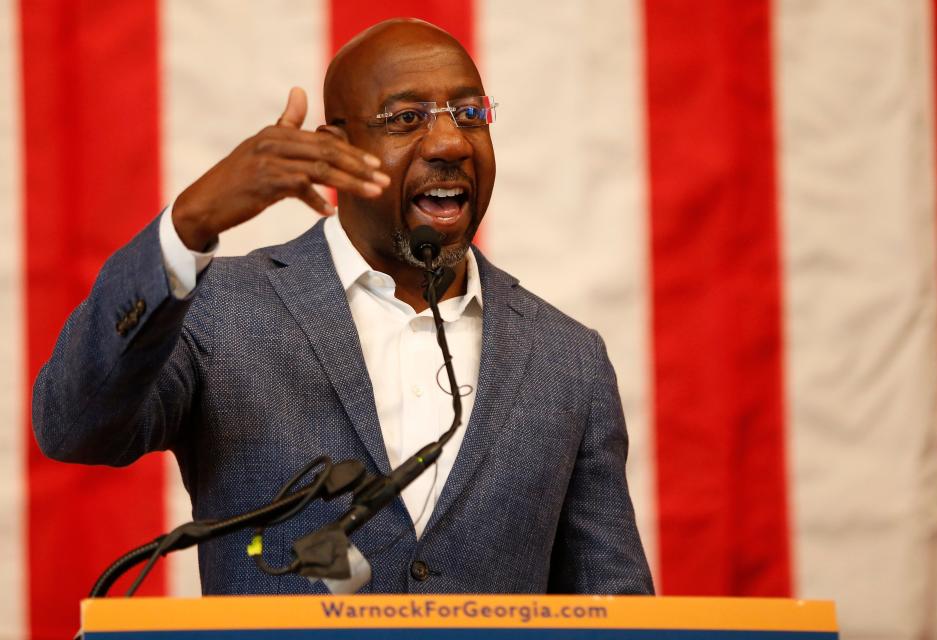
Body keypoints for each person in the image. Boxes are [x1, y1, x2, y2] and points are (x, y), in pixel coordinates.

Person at [32, 18, 654, 595]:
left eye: (468, 113)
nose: (450, 142)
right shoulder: (223, 310)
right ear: (335, 148)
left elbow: (617, 610)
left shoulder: (569, 358)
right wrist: (187, 227)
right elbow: (73, 424)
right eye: (406, 118)